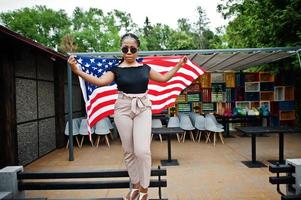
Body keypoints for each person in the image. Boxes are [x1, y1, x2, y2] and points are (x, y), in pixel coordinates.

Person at [68, 33, 187, 200]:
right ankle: (135, 187)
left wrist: (179, 66)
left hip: (143, 107)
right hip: (122, 108)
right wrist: (76, 71)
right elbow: (99, 82)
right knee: (129, 151)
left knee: (142, 151)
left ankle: (145, 190)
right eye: (125, 48)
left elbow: (164, 79)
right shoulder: (115, 69)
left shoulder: (145, 68)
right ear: (121, 49)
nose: (129, 51)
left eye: (132, 48)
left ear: (138, 49)